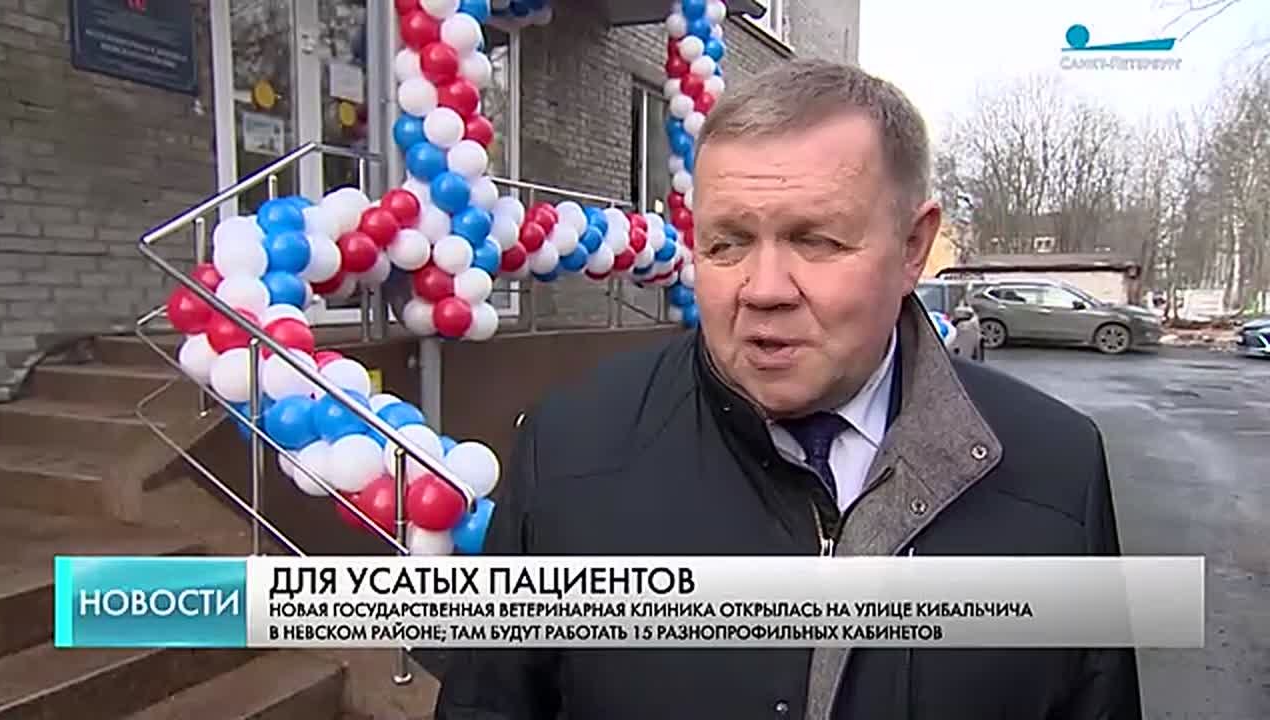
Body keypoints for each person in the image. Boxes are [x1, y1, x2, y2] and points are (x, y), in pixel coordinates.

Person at [433, 58, 1143, 720]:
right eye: (727, 244)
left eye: (816, 241)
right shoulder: (570, 451)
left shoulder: (1055, 468)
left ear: (913, 247)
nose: (763, 289)